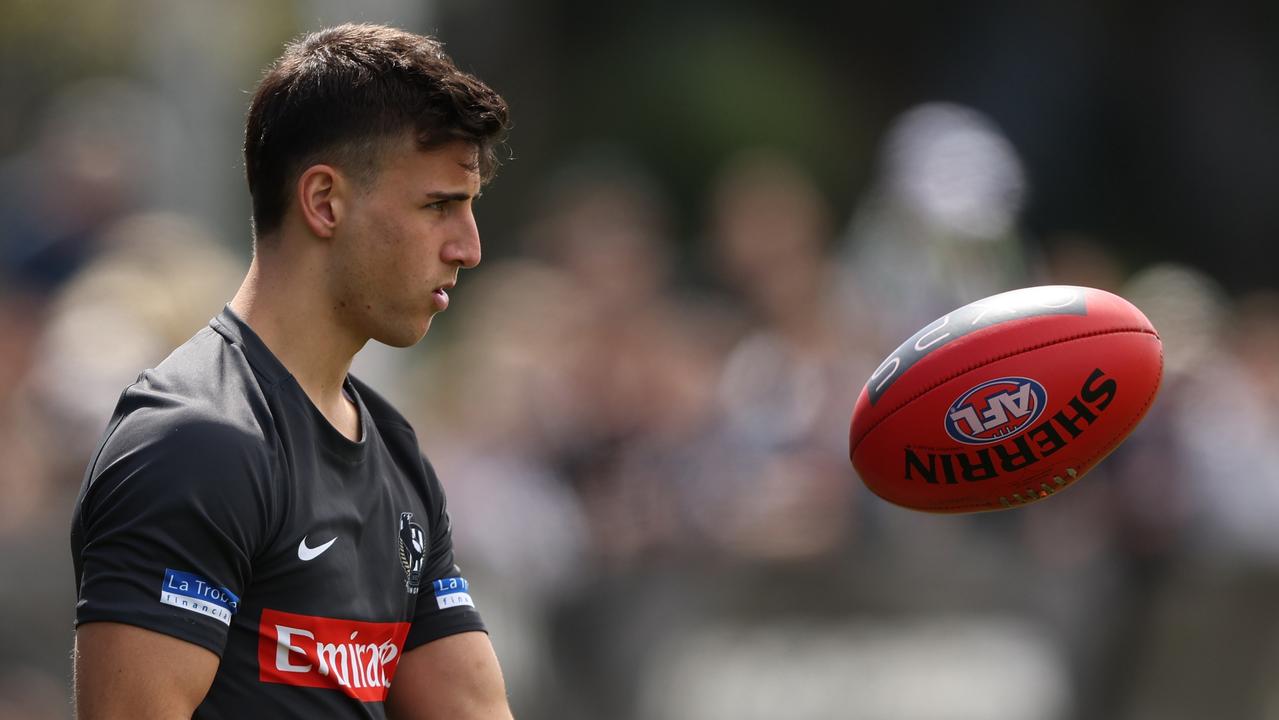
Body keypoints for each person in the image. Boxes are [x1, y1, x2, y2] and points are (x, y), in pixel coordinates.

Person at [69, 24, 513, 719]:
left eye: (469, 207)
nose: (468, 247)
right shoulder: (195, 443)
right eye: (438, 206)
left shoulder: (395, 452)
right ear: (324, 202)